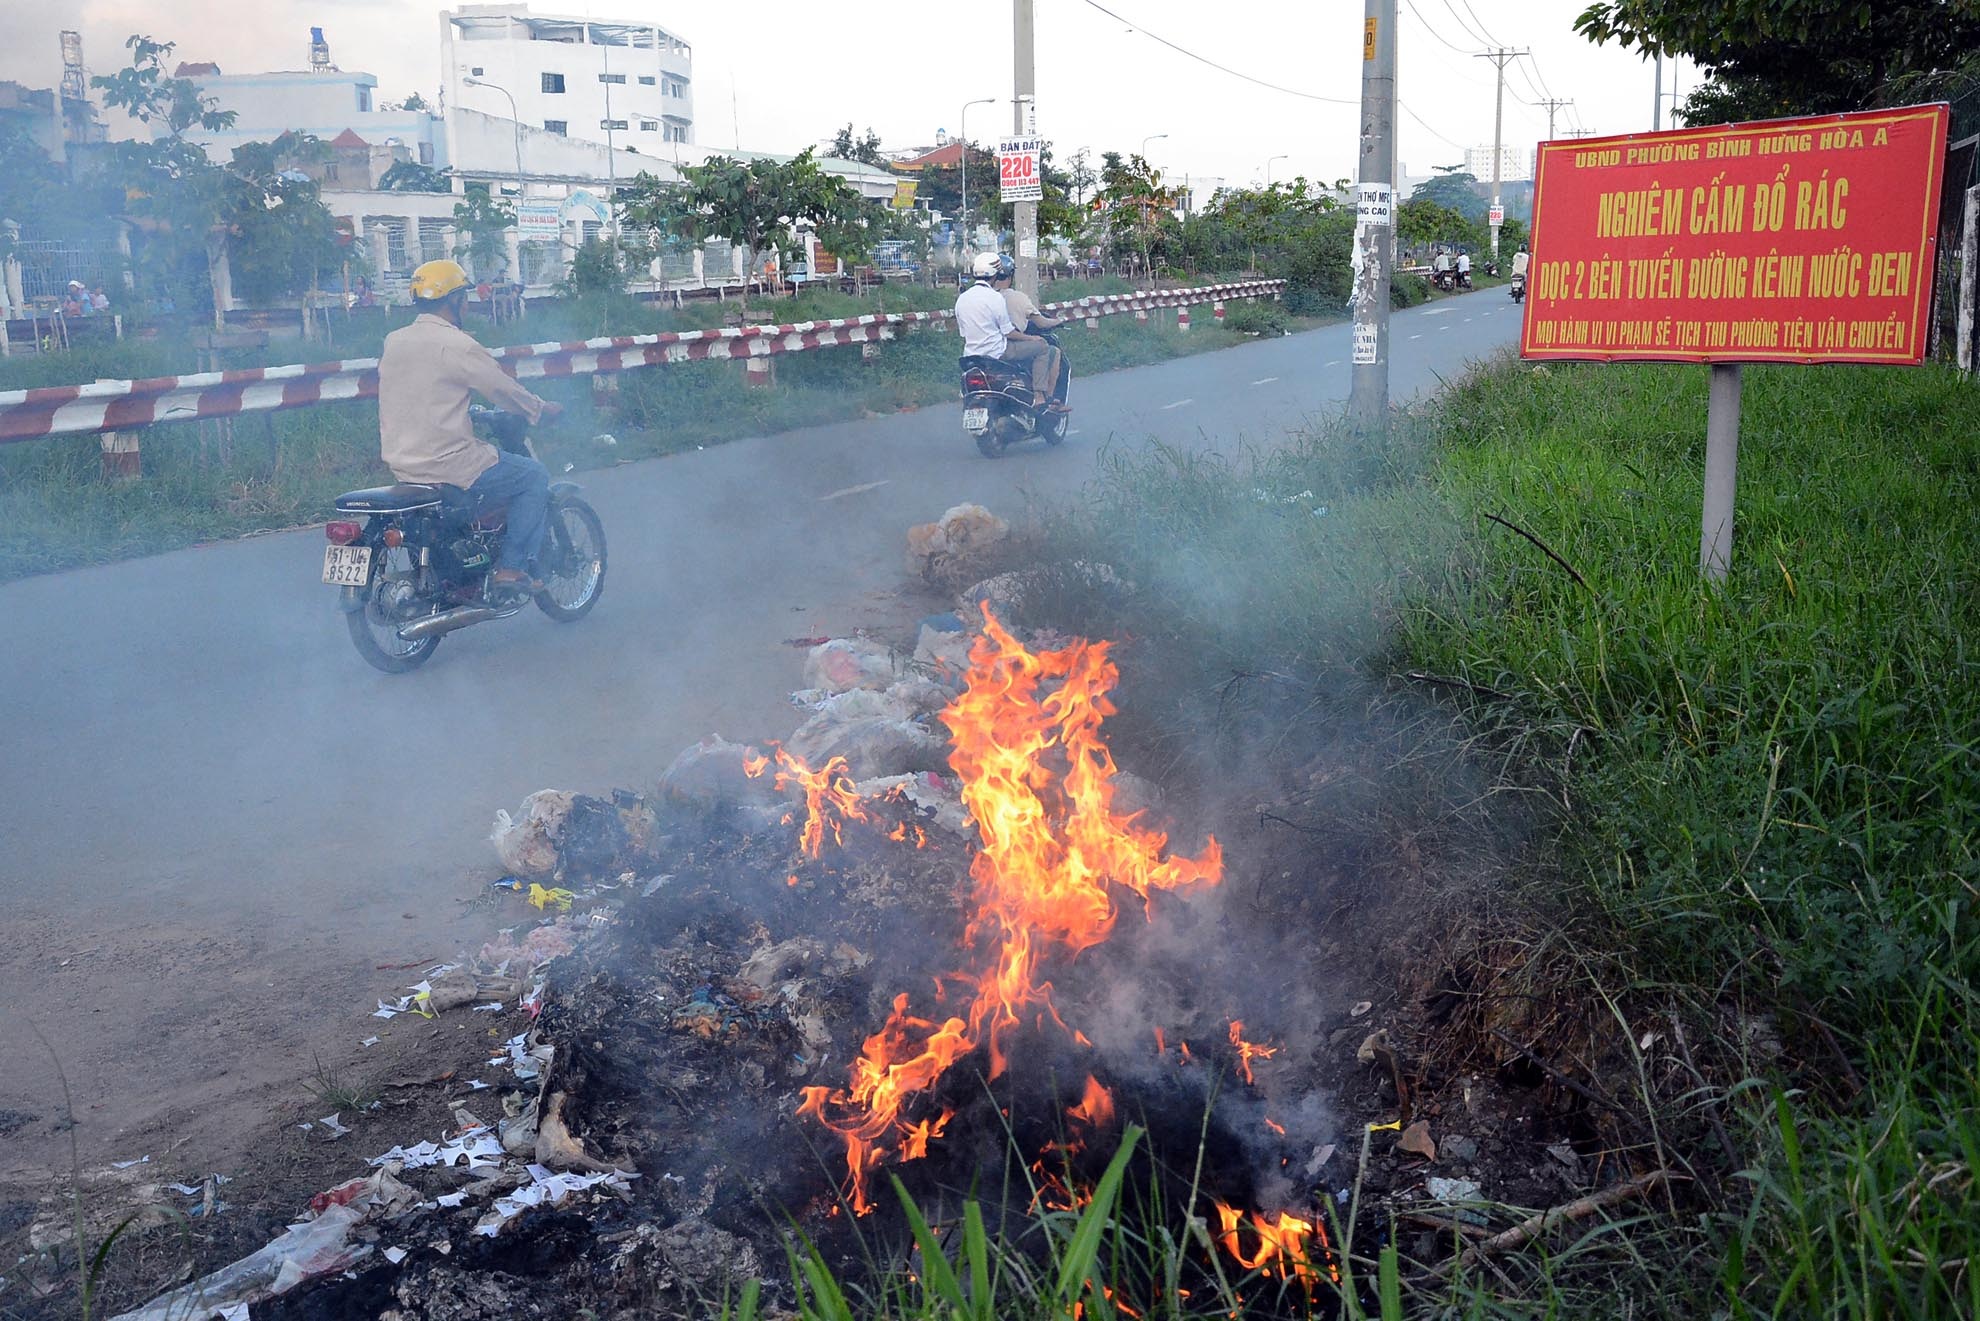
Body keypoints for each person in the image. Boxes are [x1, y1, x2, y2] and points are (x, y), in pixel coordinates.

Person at [377, 259, 563, 600]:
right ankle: (511, 566)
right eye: (463, 296)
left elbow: (424, 392)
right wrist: (538, 409)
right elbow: (500, 388)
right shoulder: (457, 344)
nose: (466, 303)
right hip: (448, 464)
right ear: (455, 300)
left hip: (403, 464)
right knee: (533, 476)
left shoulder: (395, 341)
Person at [954, 252, 1062, 408]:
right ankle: (1039, 396)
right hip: (998, 352)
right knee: (1043, 347)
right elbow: (1008, 332)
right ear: (996, 275)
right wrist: (1031, 339)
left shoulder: (962, 299)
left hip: (971, 354)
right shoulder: (994, 297)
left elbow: (963, 333)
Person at [1000, 268, 1071, 401]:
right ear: (1010, 277)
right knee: (1047, 348)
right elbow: (1041, 323)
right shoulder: (1016, 297)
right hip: (1005, 347)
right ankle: (1043, 397)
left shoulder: (978, 298)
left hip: (977, 351)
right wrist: (1057, 321)